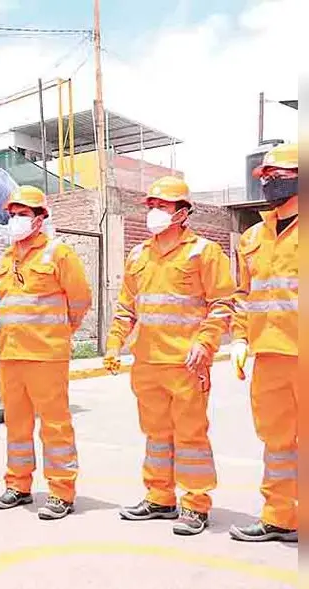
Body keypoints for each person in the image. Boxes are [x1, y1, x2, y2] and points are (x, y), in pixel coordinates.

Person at [104, 176, 235, 536]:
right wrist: (115, 342)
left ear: (182, 213)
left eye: (162, 207)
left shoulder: (203, 252)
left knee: (191, 435)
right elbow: (126, 308)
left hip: (187, 365)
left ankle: (195, 504)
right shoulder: (138, 255)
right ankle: (160, 497)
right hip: (148, 363)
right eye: (152, 206)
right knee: (156, 435)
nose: (154, 213)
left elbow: (223, 304)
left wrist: (205, 343)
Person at [0, 186, 92, 520]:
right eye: (12, 214)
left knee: (54, 425)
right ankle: (18, 486)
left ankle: (62, 491)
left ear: (39, 219)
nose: (16, 220)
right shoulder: (5, 259)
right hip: (11, 355)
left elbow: (80, 300)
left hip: (46, 355)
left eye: (23, 214)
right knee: (15, 425)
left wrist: (61, 331)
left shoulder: (58, 254)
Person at [228, 142, 299, 543]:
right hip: (269, 356)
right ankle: (279, 518)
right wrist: (239, 339)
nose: (269, 183)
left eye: (279, 176)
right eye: (265, 176)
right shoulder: (252, 237)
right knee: (276, 443)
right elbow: (244, 294)